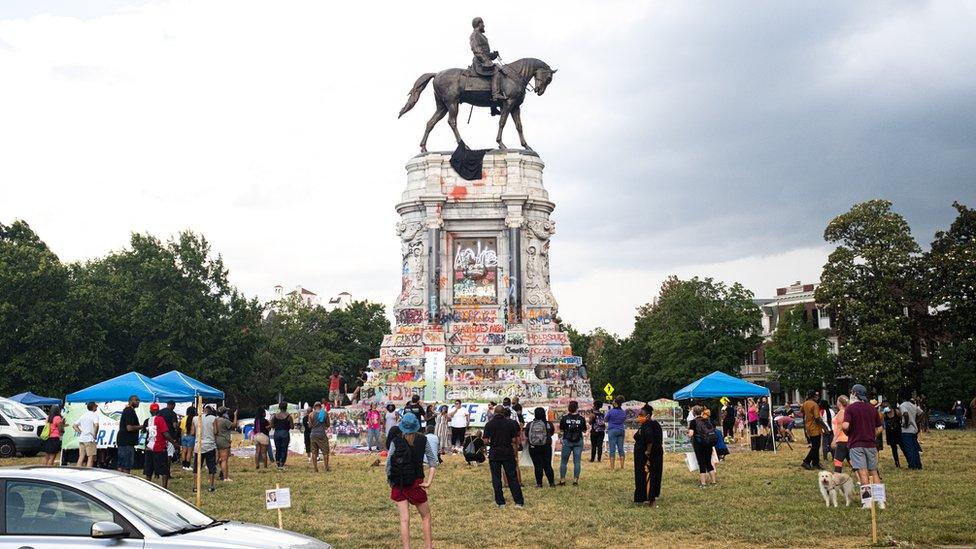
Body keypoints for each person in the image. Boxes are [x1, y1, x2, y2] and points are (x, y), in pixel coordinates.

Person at [386, 413, 437, 549]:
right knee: (426, 517)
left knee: (404, 519)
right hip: (416, 483)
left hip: (399, 484)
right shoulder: (423, 440)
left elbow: (388, 465)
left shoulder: (395, 441)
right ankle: (428, 547)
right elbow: (433, 462)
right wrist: (429, 481)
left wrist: (392, 482)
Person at [842, 384, 884, 506]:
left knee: (863, 473)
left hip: (856, 444)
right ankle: (880, 501)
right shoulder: (872, 409)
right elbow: (880, 427)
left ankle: (867, 502)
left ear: (854, 394)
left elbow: (845, 426)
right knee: (874, 472)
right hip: (871, 445)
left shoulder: (850, 408)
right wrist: (872, 434)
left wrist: (847, 433)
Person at [483, 406, 524, 507]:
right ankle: (518, 502)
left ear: (495, 413)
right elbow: (514, 439)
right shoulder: (510, 423)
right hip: (507, 452)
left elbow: (485, 441)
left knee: (496, 478)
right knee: (512, 477)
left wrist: (492, 443)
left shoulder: (489, 424)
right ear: (503, 413)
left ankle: (501, 503)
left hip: (494, 453)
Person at [633, 404, 663, 507]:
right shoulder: (645, 425)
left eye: (642, 415)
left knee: (651, 476)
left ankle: (651, 500)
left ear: (648, 416)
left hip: (649, 457)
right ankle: (644, 497)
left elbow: (650, 440)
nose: (639, 417)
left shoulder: (650, 425)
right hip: (643, 456)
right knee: (643, 476)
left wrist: (648, 452)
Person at [144, 403, 176, 488]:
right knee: (164, 471)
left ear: (150, 411)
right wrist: (174, 443)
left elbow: (145, 432)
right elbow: (165, 433)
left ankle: (148, 487)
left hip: (149, 447)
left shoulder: (148, 420)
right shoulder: (160, 419)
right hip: (159, 448)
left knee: (149, 471)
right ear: (158, 411)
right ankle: (164, 488)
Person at [558, 400, 587, 486]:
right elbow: (584, 430)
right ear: (577, 408)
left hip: (567, 440)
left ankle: (562, 480)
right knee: (577, 462)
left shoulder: (564, 418)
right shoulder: (581, 419)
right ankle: (575, 481)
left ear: (569, 408)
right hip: (578, 441)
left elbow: (561, 430)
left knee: (564, 461)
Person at [525, 407, 555, 488]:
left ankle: (539, 484)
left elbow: (526, 435)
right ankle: (551, 483)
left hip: (534, 447)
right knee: (547, 465)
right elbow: (551, 433)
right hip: (546, 447)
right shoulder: (548, 424)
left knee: (537, 466)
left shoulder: (530, 424)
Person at [688, 405, 717, 487]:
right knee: (708, 462)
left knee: (701, 463)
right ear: (701, 412)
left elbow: (691, 434)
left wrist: (687, 433)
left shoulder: (693, 422)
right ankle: (714, 482)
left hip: (699, 444)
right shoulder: (707, 420)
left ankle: (703, 483)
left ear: (693, 413)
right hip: (708, 443)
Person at [194, 405, 219, 493]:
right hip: (209, 445)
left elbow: (193, 432)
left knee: (197, 467)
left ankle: (195, 486)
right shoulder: (214, 418)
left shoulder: (195, 418)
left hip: (198, 445)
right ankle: (211, 486)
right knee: (211, 466)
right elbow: (215, 431)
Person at [898, 392, 923, 470]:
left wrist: (905, 423)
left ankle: (912, 465)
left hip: (906, 430)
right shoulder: (913, 405)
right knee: (915, 448)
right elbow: (921, 413)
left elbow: (905, 414)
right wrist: (916, 421)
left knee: (909, 449)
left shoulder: (903, 405)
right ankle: (918, 464)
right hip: (914, 430)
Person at [117, 395, 141, 473]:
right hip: (126, 441)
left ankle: (120, 481)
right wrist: (142, 426)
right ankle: (125, 481)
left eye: (138, 401)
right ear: (130, 401)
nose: (138, 402)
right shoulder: (129, 411)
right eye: (136, 400)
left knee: (122, 464)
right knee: (126, 465)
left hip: (124, 441)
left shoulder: (128, 410)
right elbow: (129, 428)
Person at [801, 390, 824, 470]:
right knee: (816, 446)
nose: (818, 397)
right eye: (817, 396)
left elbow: (802, 411)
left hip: (808, 427)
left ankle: (815, 462)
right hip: (815, 428)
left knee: (815, 445)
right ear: (813, 396)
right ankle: (806, 461)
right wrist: (825, 427)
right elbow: (817, 417)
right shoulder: (815, 405)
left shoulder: (805, 403)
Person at [73, 402, 100, 467]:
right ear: (93, 407)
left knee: (81, 456)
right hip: (89, 439)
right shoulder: (94, 415)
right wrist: (95, 435)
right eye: (96, 406)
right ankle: (88, 473)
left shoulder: (84, 415)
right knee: (90, 457)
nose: (97, 407)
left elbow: (74, 425)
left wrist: (81, 432)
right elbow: (96, 425)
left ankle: (77, 471)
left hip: (82, 438)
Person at [215, 407, 238, 482]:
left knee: (220, 459)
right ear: (224, 413)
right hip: (224, 441)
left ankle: (222, 473)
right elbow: (234, 425)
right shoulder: (225, 421)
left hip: (217, 440)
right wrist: (235, 415)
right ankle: (225, 477)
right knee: (224, 460)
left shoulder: (216, 420)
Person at [605, 396, 627, 470]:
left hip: (612, 430)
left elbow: (605, 419)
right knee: (621, 448)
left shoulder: (611, 411)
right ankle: (622, 466)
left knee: (612, 449)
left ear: (615, 403)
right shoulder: (623, 412)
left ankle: (612, 467)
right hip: (621, 430)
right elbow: (624, 419)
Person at [308, 401, 330, 472]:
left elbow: (310, 426)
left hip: (313, 434)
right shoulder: (324, 413)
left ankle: (315, 469)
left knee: (314, 452)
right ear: (321, 406)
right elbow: (328, 425)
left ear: (314, 407)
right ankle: (326, 468)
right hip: (322, 434)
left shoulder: (311, 414)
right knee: (325, 452)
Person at [830, 395, 850, 472]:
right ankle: (861, 478)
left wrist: (834, 440)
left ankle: (836, 480)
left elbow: (839, 427)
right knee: (852, 462)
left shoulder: (841, 412)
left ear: (839, 403)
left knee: (837, 461)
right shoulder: (847, 412)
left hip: (842, 440)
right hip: (847, 439)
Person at [272, 402, 294, 470]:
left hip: (277, 433)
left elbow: (272, 425)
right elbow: (292, 427)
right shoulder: (289, 417)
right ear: (286, 407)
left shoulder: (275, 416)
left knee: (278, 448)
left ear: (279, 407)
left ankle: (277, 462)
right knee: (284, 449)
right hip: (285, 433)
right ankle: (282, 463)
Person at [881, 401, 904, 468]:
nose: (885, 407)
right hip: (890, 433)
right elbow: (881, 421)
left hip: (898, 432)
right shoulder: (884, 414)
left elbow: (901, 418)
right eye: (884, 407)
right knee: (894, 449)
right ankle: (897, 463)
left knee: (902, 447)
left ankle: (909, 460)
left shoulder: (896, 411)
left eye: (886, 406)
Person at [159, 400, 180, 465]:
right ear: (173, 405)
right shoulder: (173, 413)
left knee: (161, 453)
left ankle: (160, 468)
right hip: (170, 436)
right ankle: (167, 470)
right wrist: (178, 426)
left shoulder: (160, 412)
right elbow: (174, 425)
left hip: (160, 435)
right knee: (169, 454)